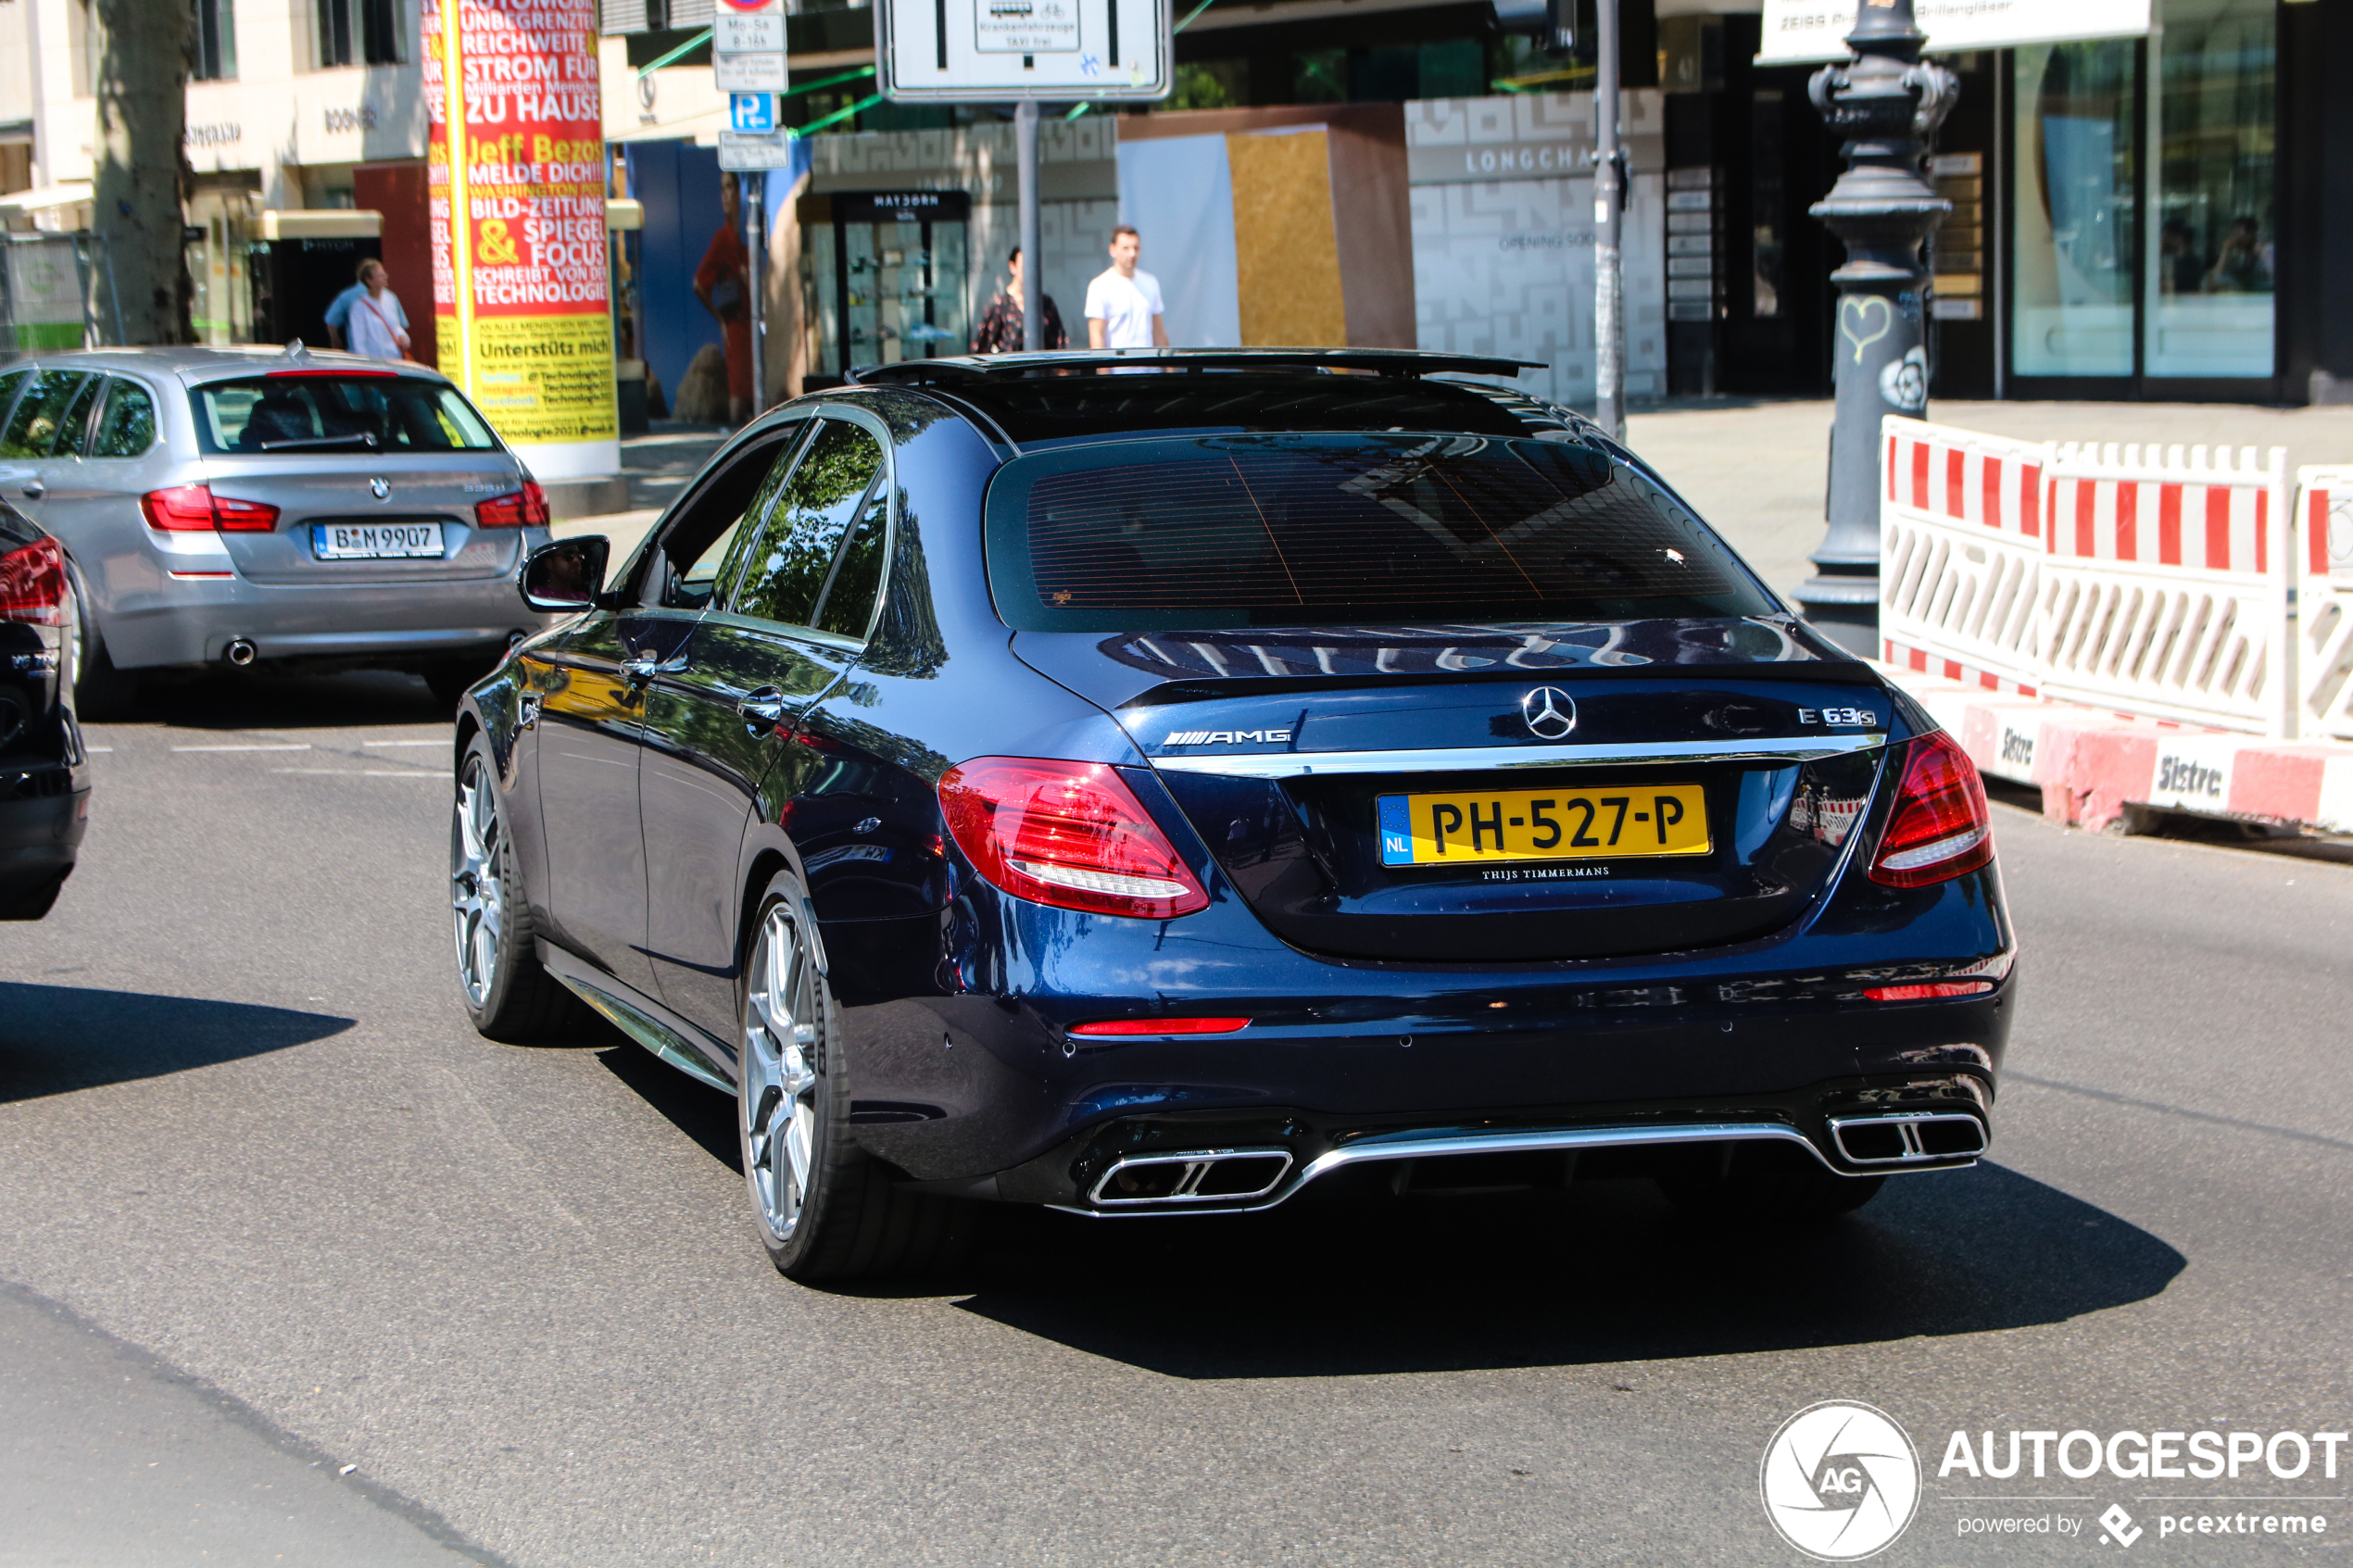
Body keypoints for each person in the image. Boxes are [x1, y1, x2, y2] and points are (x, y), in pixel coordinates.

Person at [695, 171, 754, 425]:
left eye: (730, 188)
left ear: (739, 193)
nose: (726, 195)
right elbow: (699, 284)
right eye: (723, 189)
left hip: (749, 327)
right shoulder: (723, 239)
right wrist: (721, 321)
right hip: (736, 327)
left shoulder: (742, 241)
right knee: (738, 394)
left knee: (749, 394)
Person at [1085, 225, 1168, 351]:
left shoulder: (1150, 282)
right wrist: (1103, 369)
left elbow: (1159, 332)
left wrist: (1170, 368)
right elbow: (1097, 337)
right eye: (1126, 248)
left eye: (1136, 248)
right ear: (1112, 249)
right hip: (1117, 368)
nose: (1132, 253)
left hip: (1148, 368)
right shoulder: (1099, 286)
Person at [971, 245, 1066, 353]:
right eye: (1024, 266)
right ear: (1013, 266)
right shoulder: (1000, 305)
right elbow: (981, 348)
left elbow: (1060, 343)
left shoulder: (1046, 303)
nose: (1029, 270)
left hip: (1043, 368)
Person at [345, 259, 411, 362]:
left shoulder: (391, 299)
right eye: (380, 275)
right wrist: (367, 366)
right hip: (375, 362)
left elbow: (395, 326)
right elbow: (359, 342)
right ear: (369, 281)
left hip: (396, 360)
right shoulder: (359, 307)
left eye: (384, 274)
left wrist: (402, 336)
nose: (385, 277)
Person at [322, 261, 371, 350]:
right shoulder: (390, 297)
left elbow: (331, 321)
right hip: (389, 356)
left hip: (358, 353)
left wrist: (335, 339)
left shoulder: (346, 296)